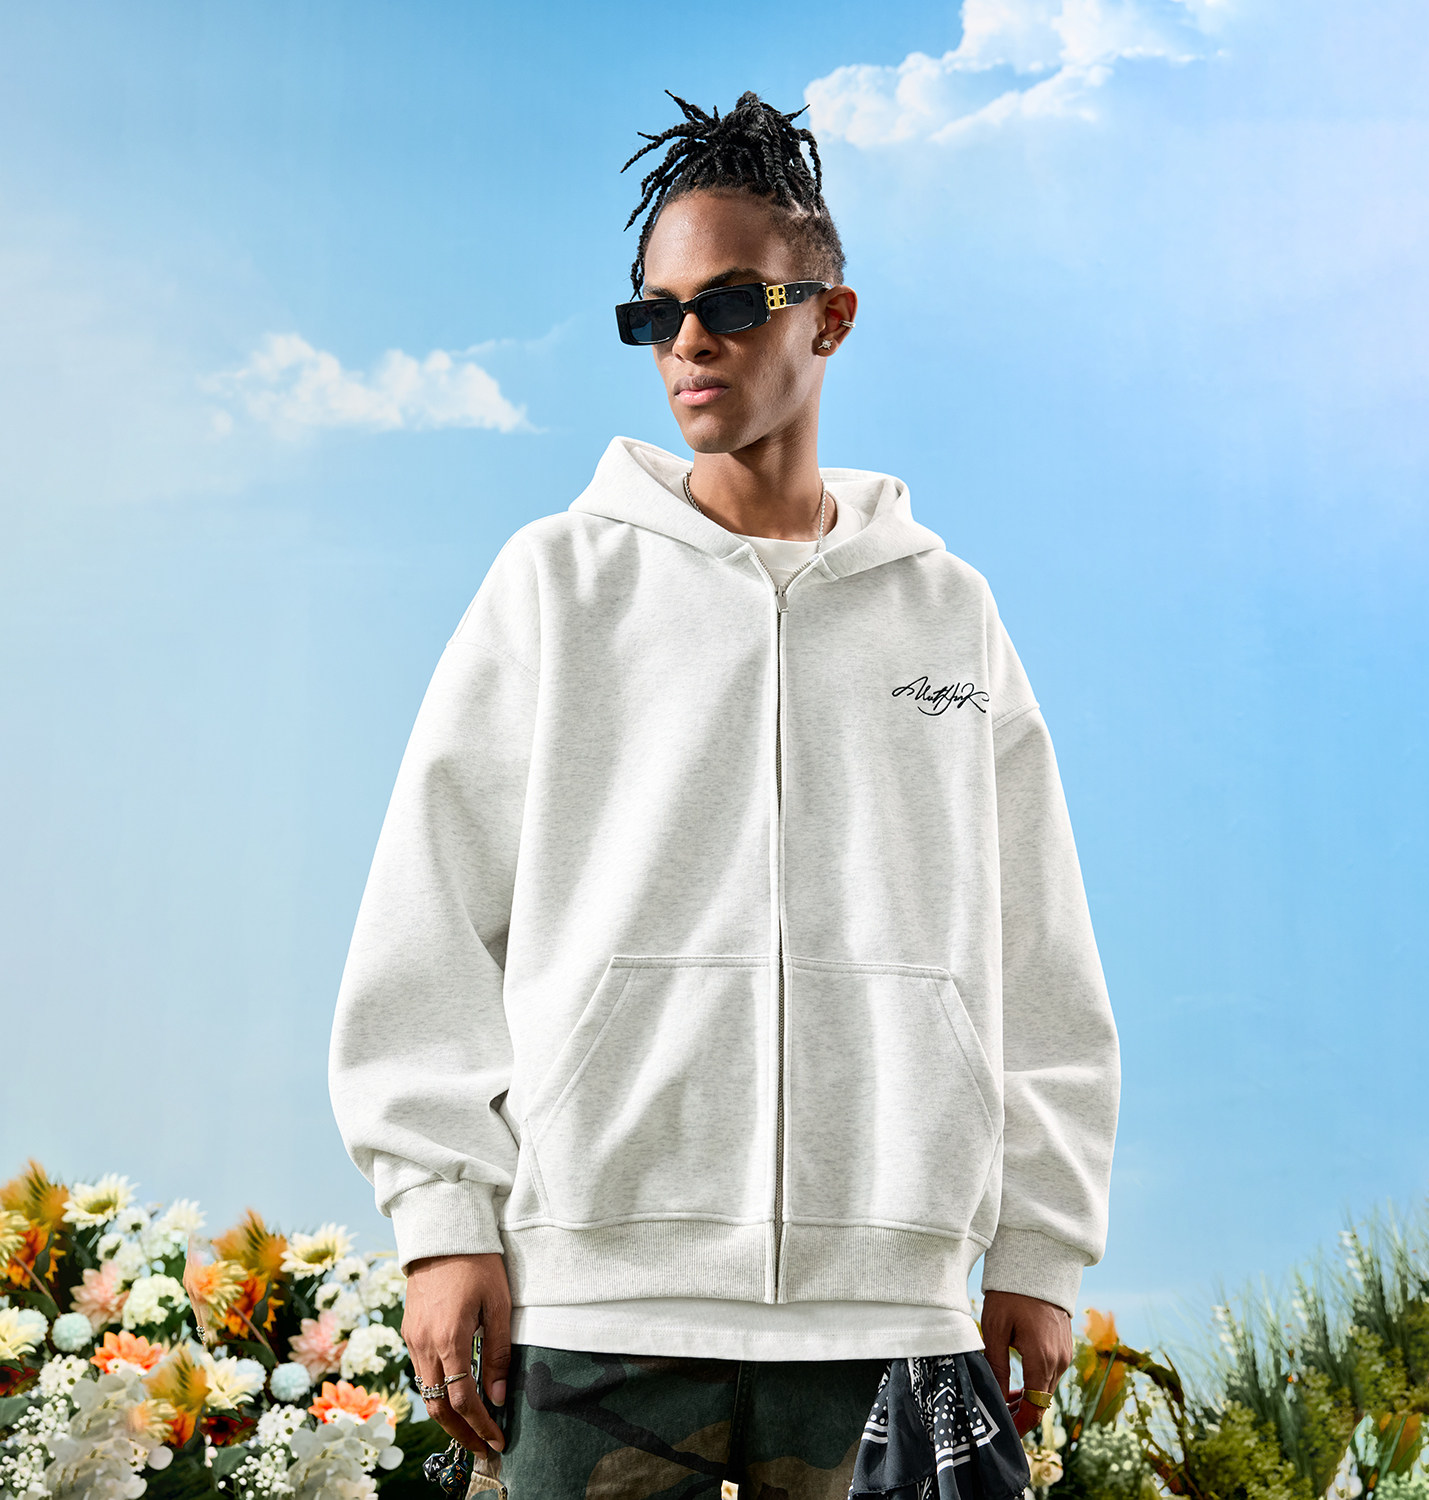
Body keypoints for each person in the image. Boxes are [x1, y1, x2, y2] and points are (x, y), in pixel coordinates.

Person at [328, 88, 1121, 1498]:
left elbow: (1040, 943)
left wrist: (1043, 1245)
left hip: (895, 1311)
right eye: (657, 314)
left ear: (832, 318)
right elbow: (431, 911)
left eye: (734, 302)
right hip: (601, 1308)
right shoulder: (558, 584)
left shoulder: (947, 613)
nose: (689, 341)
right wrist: (443, 1218)